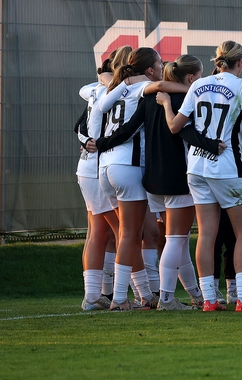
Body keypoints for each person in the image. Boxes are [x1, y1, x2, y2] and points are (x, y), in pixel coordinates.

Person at [158, 40, 242, 312]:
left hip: (197, 168)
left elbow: (175, 126)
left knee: (206, 233)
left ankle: (209, 299)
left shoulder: (197, 85)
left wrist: (165, 104)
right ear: (240, 62)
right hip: (229, 168)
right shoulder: (241, 85)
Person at [100, 54, 219, 310]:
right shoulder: (186, 99)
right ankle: (165, 298)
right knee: (176, 239)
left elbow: (128, 128)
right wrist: (213, 146)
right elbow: (187, 132)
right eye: (199, 78)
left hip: (152, 180)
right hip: (176, 178)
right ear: (190, 78)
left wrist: (99, 144)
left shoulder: (150, 98)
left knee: (179, 240)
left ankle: (195, 295)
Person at [96, 47, 164, 310]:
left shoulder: (116, 86)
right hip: (128, 165)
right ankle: (120, 299)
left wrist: (125, 80)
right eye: (159, 64)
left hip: (106, 166)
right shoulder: (141, 87)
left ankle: (144, 294)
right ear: (148, 69)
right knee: (129, 235)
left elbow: (103, 102)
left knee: (128, 235)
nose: (161, 68)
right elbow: (162, 84)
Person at [75, 57, 120, 311]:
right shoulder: (106, 90)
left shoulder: (96, 89)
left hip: (90, 167)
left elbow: (79, 127)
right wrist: (90, 139)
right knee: (116, 232)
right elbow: (80, 128)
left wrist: (87, 138)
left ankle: (100, 293)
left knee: (102, 233)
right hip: (95, 167)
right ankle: (141, 292)